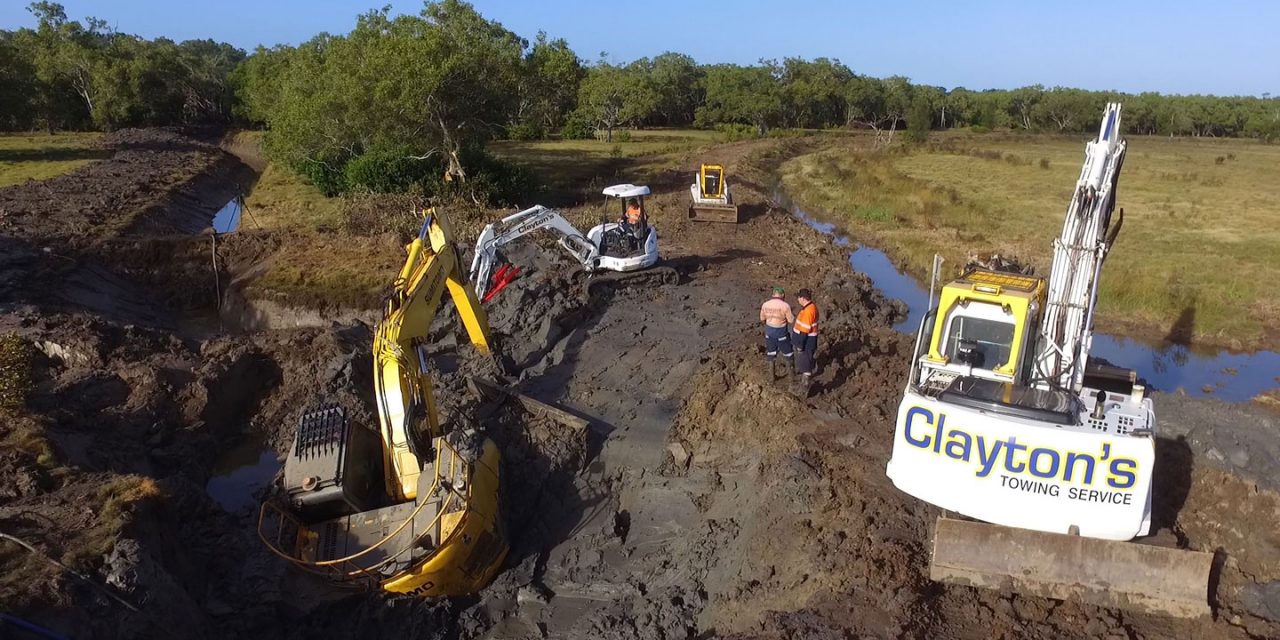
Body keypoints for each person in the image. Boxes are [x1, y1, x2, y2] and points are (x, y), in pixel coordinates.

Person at [759, 286, 795, 378]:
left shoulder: (765, 304)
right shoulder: (785, 305)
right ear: (782, 295)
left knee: (771, 353)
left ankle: (772, 378)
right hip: (781, 333)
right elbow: (791, 320)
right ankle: (792, 378)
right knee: (788, 354)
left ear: (773, 294)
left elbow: (762, 319)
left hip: (769, 332)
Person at [792, 288, 819, 390]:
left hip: (806, 341)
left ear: (803, 298)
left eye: (799, 297)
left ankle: (805, 386)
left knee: (805, 362)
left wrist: (799, 345)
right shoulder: (809, 307)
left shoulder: (809, 311)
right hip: (806, 340)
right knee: (805, 361)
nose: (798, 299)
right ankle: (804, 382)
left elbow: (805, 330)